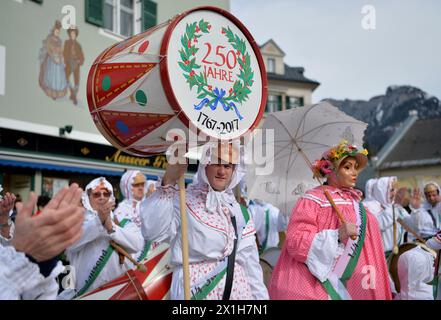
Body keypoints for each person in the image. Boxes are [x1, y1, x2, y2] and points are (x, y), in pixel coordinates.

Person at [140, 142, 268, 300]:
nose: (222, 171)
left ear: (235, 171)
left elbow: (251, 267)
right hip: (195, 292)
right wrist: (169, 180)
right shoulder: (183, 200)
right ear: (205, 164)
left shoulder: (240, 212)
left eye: (228, 166)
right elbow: (152, 231)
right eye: (216, 163)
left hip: (238, 295)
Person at [269, 140, 392, 300]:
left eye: (355, 167)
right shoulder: (312, 200)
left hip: (362, 281)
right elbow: (296, 242)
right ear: (330, 170)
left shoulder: (357, 202)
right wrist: (336, 236)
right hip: (319, 285)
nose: (354, 173)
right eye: (347, 167)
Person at [0, 184, 84, 299]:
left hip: (60, 269)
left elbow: (8, 251)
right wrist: (28, 257)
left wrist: (43, 264)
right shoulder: (36, 219)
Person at [66, 177, 144, 297]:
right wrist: (99, 221)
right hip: (87, 294)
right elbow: (72, 244)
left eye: (106, 194)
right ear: (88, 198)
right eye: (96, 194)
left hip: (121, 294)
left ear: (111, 198)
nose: (102, 197)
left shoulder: (124, 223)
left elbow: (138, 244)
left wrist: (111, 228)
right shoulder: (77, 223)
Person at [115, 170, 156, 261]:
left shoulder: (149, 202)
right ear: (127, 187)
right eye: (136, 185)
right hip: (136, 260)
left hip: (157, 256)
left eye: (142, 184)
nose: (141, 188)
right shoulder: (120, 212)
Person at [365, 176, 410, 259]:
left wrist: (416, 210)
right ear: (382, 190)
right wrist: (394, 207)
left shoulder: (394, 206)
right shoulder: (368, 206)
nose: (395, 193)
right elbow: (378, 225)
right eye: (391, 190)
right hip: (379, 257)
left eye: (394, 190)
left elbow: (411, 225)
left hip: (396, 255)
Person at [38, 20, 68, 100]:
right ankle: (51, 92)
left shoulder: (59, 41)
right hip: (51, 61)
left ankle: (57, 93)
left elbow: (61, 51)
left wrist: (61, 58)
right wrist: (53, 57)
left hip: (58, 61)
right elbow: (48, 49)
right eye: (56, 31)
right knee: (51, 76)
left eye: (58, 32)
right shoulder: (50, 39)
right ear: (54, 31)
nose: (57, 33)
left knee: (59, 77)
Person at [64, 26, 84, 105]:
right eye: (71, 33)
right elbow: (64, 53)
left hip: (76, 63)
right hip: (69, 62)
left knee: (77, 81)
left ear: (76, 34)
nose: (73, 34)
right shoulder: (67, 42)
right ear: (69, 34)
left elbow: (81, 56)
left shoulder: (78, 45)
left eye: (74, 33)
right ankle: (72, 92)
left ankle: (74, 95)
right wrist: (66, 61)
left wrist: (80, 61)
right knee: (66, 77)